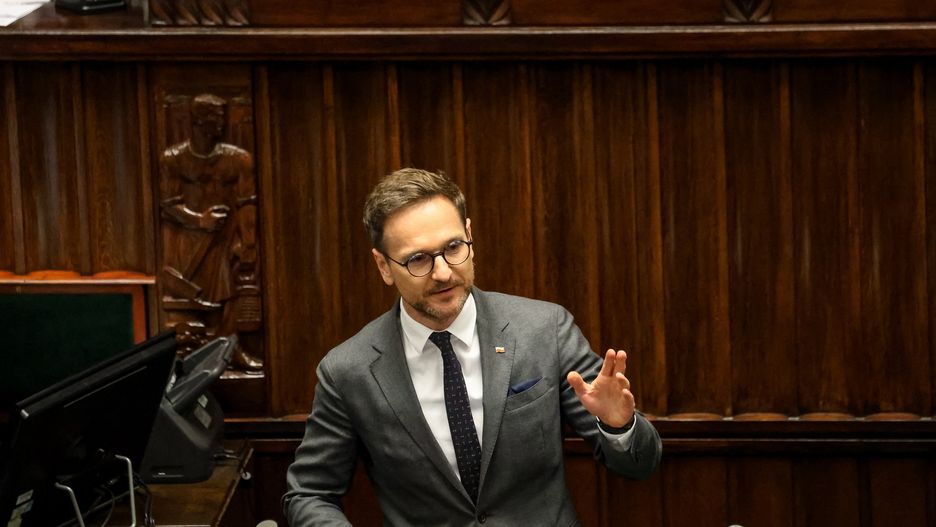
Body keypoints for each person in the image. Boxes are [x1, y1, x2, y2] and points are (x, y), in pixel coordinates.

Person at [283, 168, 662, 525]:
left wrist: (619, 425)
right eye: (418, 259)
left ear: (469, 234)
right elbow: (308, 493)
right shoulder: (348, 371)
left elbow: (640, 465)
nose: (444, 272)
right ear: (383, 266)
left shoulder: (544, 330)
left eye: (453, 247)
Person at [159, 93, 263, 372]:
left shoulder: (238, 159)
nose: (220, 123)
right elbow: (167, 205)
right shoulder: (174, 159)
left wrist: (249, 242)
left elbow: (246, 203)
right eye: (213, 118)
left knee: (230, 296)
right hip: (186, 243)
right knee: (190, 301)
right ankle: (189, 358)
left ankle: (231, 351)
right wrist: (198, 219)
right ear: (197, 120)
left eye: (221, 118)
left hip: (225, 239)